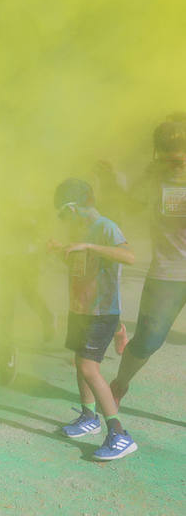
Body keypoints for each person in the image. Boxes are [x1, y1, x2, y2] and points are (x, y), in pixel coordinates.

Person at [97, 117, 186, 408]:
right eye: (170, 154)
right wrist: (111, 180)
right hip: (168, 273)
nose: (178, 160)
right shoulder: (153, 178)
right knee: (148, 340)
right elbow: (131, 205)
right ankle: (120, 384)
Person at [48, 178, 137, 461]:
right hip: (81, 310)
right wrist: (62, 251)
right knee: (80, 364)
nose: (62, 220)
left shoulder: (105, 227)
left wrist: (88, 245)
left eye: (62, 213)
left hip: (101, 312)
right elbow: (81, 265)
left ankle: (119, 433)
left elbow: (129, 256)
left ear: (73, 208)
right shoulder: (81, 230)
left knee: (89, 368)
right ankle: (89, 417)